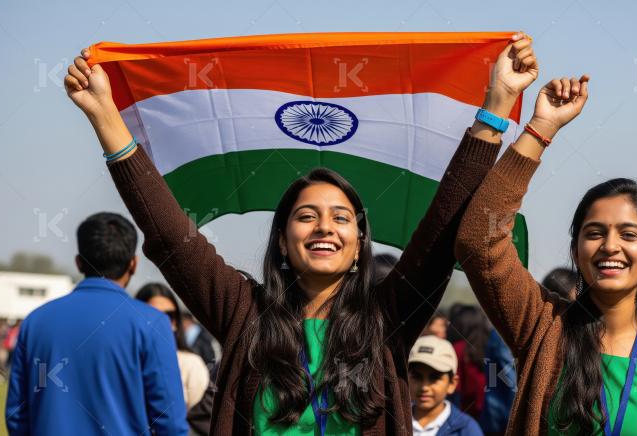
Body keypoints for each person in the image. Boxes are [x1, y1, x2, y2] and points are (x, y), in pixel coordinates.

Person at [63, 33, 538, 434]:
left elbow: (442, 224)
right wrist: (105, 117)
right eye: (306, 216)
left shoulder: (386, 318)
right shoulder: (244, 313)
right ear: (282, 241)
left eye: (341, 217)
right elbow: (171, 236)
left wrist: (496, 108)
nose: (324, 226)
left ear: (359, 247)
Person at [454, 62, 637, 433]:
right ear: (576, 249)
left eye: (629, 235)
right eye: (595, 233)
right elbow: (478, 240)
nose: (610, 247)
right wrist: (541, 129)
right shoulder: (545, 327)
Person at [5, 212, 187, 435]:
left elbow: (17, 417)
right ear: (133, 264)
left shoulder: (35, 322)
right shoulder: (152, 323)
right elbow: (170, 423)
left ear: (79, 262)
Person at [136, 283, 210, 411]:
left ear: (176, 321)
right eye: (151, 314)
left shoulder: (191, 365)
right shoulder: (123, 359)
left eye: (168, 316)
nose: (162, 322)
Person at [408, 336, 483, 436]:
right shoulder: (392, 419)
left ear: (452, 383)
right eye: (417, 377)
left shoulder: (467, 430)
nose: (424, 387)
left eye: (434, 378)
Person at [448, 306, 489, 420]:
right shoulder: (491, 347)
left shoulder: (457, 349)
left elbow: (455, 388)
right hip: (489, 413)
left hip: (465, 413)